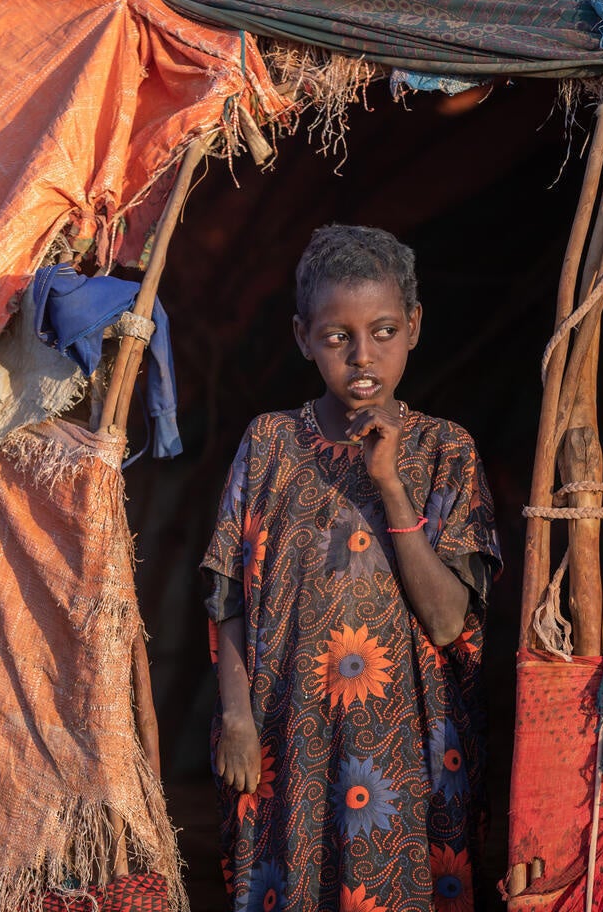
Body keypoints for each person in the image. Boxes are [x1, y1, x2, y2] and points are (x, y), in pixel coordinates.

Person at [203, 224, 500, 912]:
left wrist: (391, 484)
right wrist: (239, 719)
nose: (363, 355)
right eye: (338, 336)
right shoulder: (270, 444)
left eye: (384, 331)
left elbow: (450, 620)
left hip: (409, 752)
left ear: (415, 327)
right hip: (287, 744)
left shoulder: (445, 451)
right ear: (304, 337)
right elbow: (228, 599)